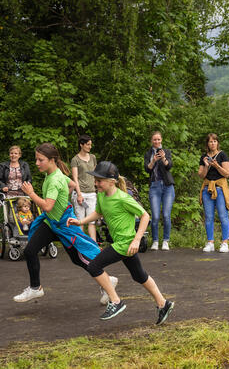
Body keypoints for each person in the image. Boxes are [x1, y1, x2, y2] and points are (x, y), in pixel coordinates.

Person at [67, 161, 175, 324]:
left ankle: (115, 301)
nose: (96, 184)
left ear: (112, 181)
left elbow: (145, 216)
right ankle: (163, 303)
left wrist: (137, 240)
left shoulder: (123, 198)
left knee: (94, 266)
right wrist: (80, 222)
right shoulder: (102, 196)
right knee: (139, 276)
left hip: (126, 243)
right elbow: (98, 213)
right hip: (121, 243)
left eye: (99, 180)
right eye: (95, 180)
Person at [13, 143, 115, 305]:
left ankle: (108, 281)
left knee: (79, 258)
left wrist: (31, 194)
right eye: (36, 160)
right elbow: (72, 185)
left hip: (64, 224)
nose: (37, 163)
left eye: (41, 160)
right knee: (31, 250)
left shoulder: (54, 179)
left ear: (52, 160)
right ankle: (35, 288)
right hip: (52, 222)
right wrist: (62, 199)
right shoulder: (56, 174)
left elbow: (47, 206)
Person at [198, 133, 229, 253]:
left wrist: (216, 165)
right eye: (210, 142)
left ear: (217, 143)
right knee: (209, 217)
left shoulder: (222, 155)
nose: (212, 144)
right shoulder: (204, 157)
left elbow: (227, 174)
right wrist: (206, 166)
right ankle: (210, 242)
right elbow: (201, 175)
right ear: (207, 143)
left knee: (223, 216)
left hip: (220, 188)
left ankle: (224, 243)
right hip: (207, 188)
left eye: (214, 141)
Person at [143, 131, 175, 251]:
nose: (156, 142)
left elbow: (169, 166)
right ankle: (155, 241)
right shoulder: (148, 154)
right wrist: (153, 160)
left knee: (166, 215)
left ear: (161, 140)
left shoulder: (166, 151)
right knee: (155, 216)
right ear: (152, 141)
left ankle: (166, 240)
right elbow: (147, 169)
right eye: (154, 140)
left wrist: (163, 158)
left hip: (167, 186)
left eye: (158, 139)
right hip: (155, 186)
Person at [70, 135, 98, 241]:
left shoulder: (93, 157)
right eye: (88, 144)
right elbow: (75, 178)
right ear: (81, 145)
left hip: (91, 193)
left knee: (92, 222)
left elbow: (96, 174)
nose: (90, 146)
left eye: (90, 144)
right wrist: (79, 194)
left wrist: (98, 189)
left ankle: (94, 244)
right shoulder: (75, 159)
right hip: (80, 193)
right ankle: (81, 245)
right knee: (80, 221)